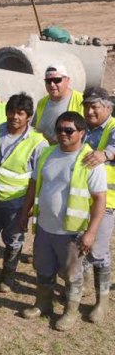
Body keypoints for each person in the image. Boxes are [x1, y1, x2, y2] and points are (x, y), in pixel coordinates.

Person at [19, 112, 106, 331]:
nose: (63, 134)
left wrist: (91, 233)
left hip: (71, 232)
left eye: (69, 130)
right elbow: (34, 184)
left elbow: (99, 200)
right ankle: (42, 304)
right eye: (60, 130)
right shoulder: (47, 153)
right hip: (45, 228)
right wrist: (24, 213)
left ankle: (70, 312)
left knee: (72, 275)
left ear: (82, 133)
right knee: (43, 269)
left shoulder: (90, 161)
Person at [0, 93, 47, 293]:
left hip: (17, 204)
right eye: (11, 111)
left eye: (20, 113)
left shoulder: (38, 142)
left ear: (28, 116)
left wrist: (27, 209)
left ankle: (8, 276)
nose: (15, 116)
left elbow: (37, 180)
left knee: (13, 241)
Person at [79, 86, 115, 323]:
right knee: (79, 246)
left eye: (95, 106)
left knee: (99, 252)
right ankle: (75, 288)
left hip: (106, 201)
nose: (90, 111)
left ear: (108, 107)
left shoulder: (112, 128)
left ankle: (101, 301)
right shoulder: (84, 128)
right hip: (80, 198)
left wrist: (107, 153)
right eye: (87, 106)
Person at [32, 64, 84, 144]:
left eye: (57, 80)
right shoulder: (42, 102)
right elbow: (34, 128)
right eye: (48, 81)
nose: (52, 84)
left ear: (67, 80)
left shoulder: (81, 101)